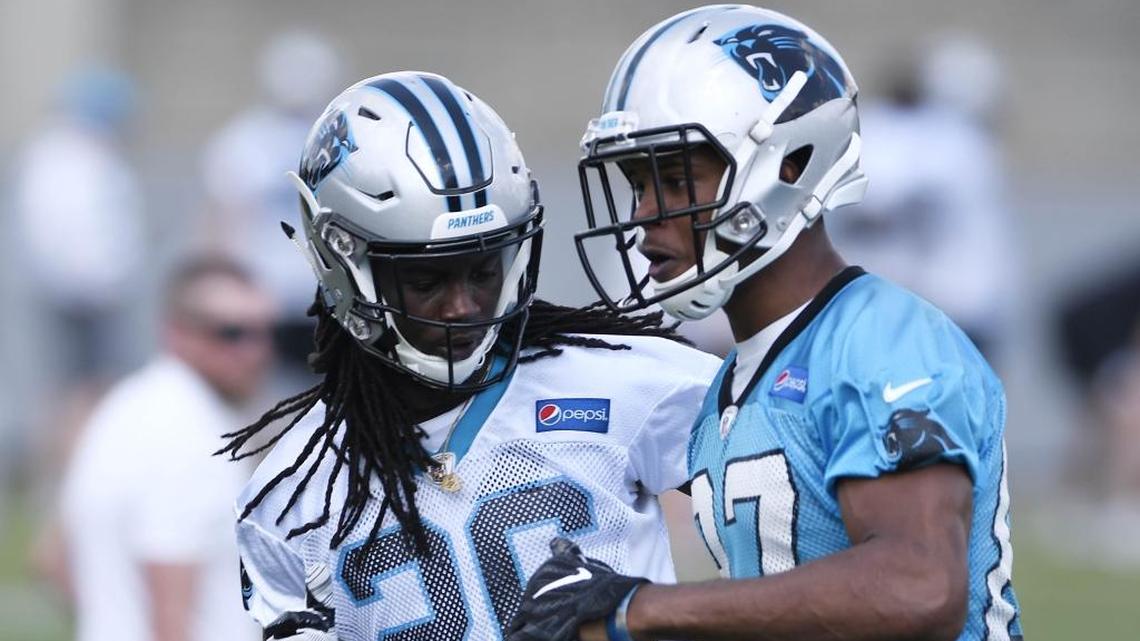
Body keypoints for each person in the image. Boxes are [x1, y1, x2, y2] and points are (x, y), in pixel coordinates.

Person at [510, 5, 1023, 641]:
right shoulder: (732, 382)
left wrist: (638, 609)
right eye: (637, 184)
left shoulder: (882, 341)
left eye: (672, 179)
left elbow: (919, 587)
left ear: (789, 165)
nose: (644, 218)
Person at [218, 71, 721, 640]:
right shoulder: (293, 492)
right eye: (427, 279)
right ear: (343, 267)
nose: (462, 308)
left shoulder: (626, 380)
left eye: (483, 271)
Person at [58, 257, 274, 641]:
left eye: (263, 332)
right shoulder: (188, 434)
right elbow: (171, 616)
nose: (254, 351)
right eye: (230, 333)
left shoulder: (126, 406)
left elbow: (51, 558)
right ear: (175, 333)